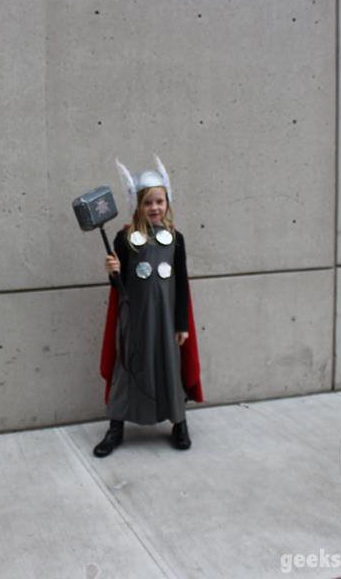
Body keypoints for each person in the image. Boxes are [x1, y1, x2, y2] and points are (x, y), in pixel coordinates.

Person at [94, 156, 203, 457]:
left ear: (167, 202)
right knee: (126, 368)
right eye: (148, 203)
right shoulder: (124, 238)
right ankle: (116, 427)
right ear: (137, 205)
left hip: (166, 321)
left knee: (170, 367)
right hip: (134, 319)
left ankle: (179, 423)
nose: (154, 207)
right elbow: (119, 288)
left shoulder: (177, 240)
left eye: (159, 201)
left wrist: (181, 324)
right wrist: (113, 272)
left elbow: (181, 285)